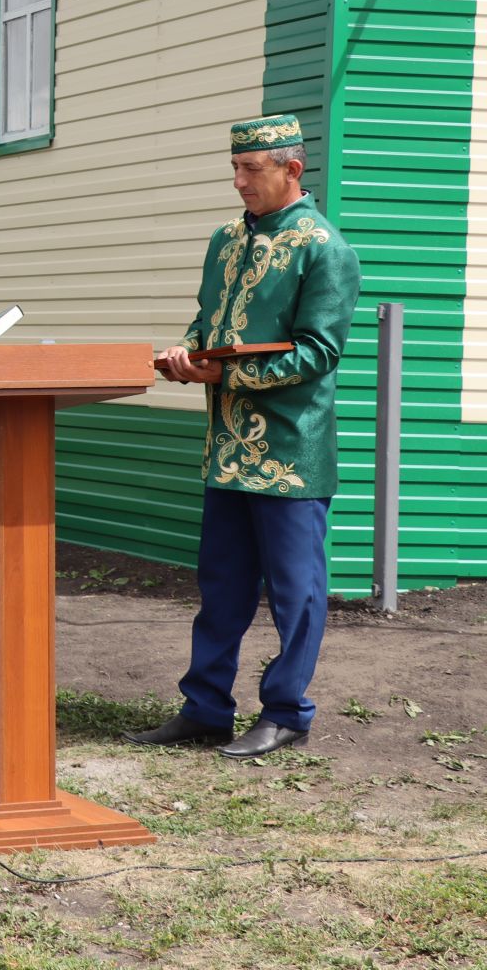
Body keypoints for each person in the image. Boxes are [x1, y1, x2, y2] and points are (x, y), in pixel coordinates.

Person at [127, 115, 360, 759]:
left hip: (291, 453)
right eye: (234, 169)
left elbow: (318, 352)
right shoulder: (225, 241)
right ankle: (206, 709)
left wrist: (225, 373)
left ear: (293, 169)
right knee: (220, 588)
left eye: (251, 170)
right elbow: (209, 321)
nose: (238, 183)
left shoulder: (325, 248)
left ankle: (287, 711)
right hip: (227, 449)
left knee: (297, 593)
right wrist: (189, 354)